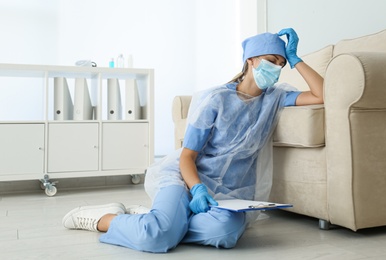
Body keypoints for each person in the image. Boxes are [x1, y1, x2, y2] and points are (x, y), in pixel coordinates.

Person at [62, 28, 324, 253]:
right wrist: (197, 188)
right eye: (271, 60)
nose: (277, 68)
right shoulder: (216, 99)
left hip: (227, 196)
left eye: (281, 63)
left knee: (225, 233)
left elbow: (322, 94)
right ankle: (104, 219)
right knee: (157, 237)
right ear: (251, 60)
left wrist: (296, 59)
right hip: (186, 180)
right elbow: (187, 157)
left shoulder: (276, 98)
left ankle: (161, 221)